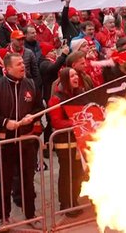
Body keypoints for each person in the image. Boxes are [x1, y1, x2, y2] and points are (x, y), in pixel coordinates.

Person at [0, 53, 45, 225]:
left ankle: (30, 214)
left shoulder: (30, 84)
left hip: (26, 141)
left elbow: (39, 105)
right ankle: (4, 217)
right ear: (7, 68)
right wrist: (5, 122)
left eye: (23, 63)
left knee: (28, 179)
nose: (23, 66)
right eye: (18, 64)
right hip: (4, 142)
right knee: (6, 180)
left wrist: (32, 115)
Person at [47, 68, 86, 218]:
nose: (76, 77)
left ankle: (74, 199)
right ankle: (65, 203)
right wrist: (74, 123)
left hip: (78, 140)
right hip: (64, 142)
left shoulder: (80, 94)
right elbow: (56, 122)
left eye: (77, 74)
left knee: (77, 173)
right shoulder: (56, 99)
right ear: (64, 79)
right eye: (72, 76)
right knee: (66, 173)